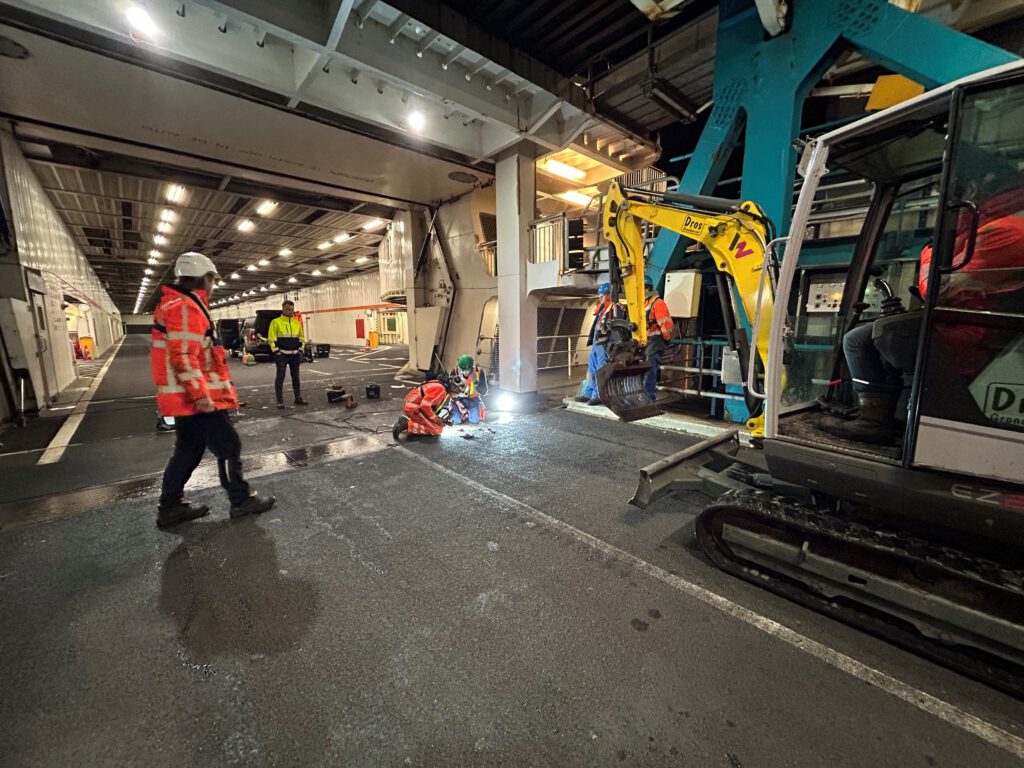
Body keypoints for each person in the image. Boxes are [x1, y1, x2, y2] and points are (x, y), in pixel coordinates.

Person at [824, 173, 1024, 444]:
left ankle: (875, 420)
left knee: (866, 338)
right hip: (970, 324)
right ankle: (880, 416)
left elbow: (938, 289)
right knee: (881, 336)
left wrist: (931, 250)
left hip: (978, 332)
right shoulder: (983, 229)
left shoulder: (1003, 230)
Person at [152, 252, 275, 529]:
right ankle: (241, 500)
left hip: (184, 399)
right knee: (229, 445)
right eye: (212, 279)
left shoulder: (176, 304)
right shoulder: (185, 307)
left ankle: (169, 507)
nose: (213, 285)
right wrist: (201, 396)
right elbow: (183, 356)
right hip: (196, 399)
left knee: (188, 451)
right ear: (203, 278)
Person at [578, 282, 625, 406]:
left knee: (601, 371)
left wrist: (615, 346)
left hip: (604, 345)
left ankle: (598, 395)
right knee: (593, 370)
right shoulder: (603, 308)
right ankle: (588, 393)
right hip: (596, 343)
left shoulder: (615, 308)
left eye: (602, 295)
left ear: (609, 295)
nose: (600, 298)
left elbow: (617, 329)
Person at [392, 373, 464, 440]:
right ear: (454, 388)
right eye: (457, 391)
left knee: (436, 425)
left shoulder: (441, 386)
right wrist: (437, 420)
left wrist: (440, 420)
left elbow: (431, 406)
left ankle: (411, 422)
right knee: (437, 430)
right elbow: (425, 406)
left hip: (414, 406)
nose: (456, 394)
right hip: (413, 408)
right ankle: (407, 424)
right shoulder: (441, 389)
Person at [268, 300, 308, 409]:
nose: (291, 312)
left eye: (292, 310)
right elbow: (271, 339)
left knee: (296, 377)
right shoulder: (275, 322)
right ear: (283, 309)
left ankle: (298, 398)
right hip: (282, 356)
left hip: (295, 355)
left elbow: (301, 338)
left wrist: (300, 351)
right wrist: (277, 353)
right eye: (288, 310)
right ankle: (280, 401)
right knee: (280, 377)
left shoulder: (296, 322)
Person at [643, 274, 674, 402]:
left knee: (649, 373)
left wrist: (666, 338)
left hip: (654, 344)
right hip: (645, 344)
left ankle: (649, 400)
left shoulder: (658, 303)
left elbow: (666, 325)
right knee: (644, 372)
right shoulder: (644, 303)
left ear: (647, 288)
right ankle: (643, 399)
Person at [450, 354, 488, 424]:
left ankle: (469, 414)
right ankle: (462, 415)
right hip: (458, 400)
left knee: (475, 420)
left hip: (473, 400)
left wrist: (475, 385)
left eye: (467, 370)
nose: (464, 373)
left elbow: (484, 391)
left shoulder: (478, 372)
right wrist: (457, 403)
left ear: (471, 367)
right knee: (455, 420)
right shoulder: (455, 371)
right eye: (462, 370)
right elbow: (450, 392)